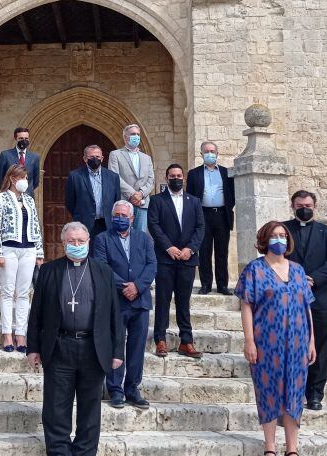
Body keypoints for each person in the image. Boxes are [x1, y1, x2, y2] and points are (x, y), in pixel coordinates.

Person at [26, 222, 123, 456]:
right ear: (63, 242)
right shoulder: (48, 271)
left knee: (90, 408)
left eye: (81, 241)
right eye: (72, 241)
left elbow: (114, 314)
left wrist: (117, 351)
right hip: (59, 346)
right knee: (56, 406)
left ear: (89, 241)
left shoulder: (103, 271)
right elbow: (36, 314)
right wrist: (33, 348)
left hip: (93, 347)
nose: (76, 245)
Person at [236, 220, 317, 456]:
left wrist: (311, 341)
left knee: (294, 394)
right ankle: (270, 449)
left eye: (283, 235)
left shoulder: (297, 270)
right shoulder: (255, 270)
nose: (279, 239)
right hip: (266, 343)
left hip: (296, 343)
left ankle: (292, 451)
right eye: (274, 235)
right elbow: (246, 305)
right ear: (264, 239)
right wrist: (249, 340)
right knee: (269, 393)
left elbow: (307, 308)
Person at [92, 200, 156, 409]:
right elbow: (102, 266)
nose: (119, 218)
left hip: (140, 301)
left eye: (123, 215)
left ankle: (132, 388)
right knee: (115, 346)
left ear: (132, 218)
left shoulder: (144, 239)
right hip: (116, 301)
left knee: (137, 347)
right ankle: (115, 389)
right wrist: (123, 286)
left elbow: (151, 265)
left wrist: (137, 286)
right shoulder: (102, 239)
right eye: (116, 214)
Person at [283, 190, 327, 411]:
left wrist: (313, 279)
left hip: (320, 297)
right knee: (291, 344)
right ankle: (293, 390)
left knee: (320, 345)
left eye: (307, 205)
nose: (304, 208)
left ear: (315, 207)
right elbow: (275, 257)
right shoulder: (283, 229)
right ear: (293, 206)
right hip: (289, 296)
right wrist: (293, 278)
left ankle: (315, 393)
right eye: (299, 205)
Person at [147, 164, 205, 358]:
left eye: (179, 175)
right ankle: (160, 340)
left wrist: (190, 249)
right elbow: (153, 225)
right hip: (165, 259)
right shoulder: (157, 200)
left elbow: (200, 227)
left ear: (184, 178)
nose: (176, 178)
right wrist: (168, 247)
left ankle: (186, 341)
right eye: (172, 176)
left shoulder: (194, 201)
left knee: (183, 302)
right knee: (163, 300)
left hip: (188, 259)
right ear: (166, 177)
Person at [0, 164, 45, 352]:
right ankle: (7, 333)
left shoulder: (29, 200)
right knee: (7, 292)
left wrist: (39, 252)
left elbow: (36, 225)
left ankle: (21, 333)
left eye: (27, 178)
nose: (25, 182)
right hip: (9, 249)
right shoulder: (0, 199)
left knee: (23, 293)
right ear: (13, 179)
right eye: (22, 178)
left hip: (28, 249)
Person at [186, 141, 236, 295]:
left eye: (212, 151)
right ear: (201, 154)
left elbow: (232, 194)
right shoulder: (194, 174)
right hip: (203, 215)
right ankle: (206, 284)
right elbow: (190, 196)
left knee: (222, 252)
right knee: (204, 251)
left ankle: (222, 285)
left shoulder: (226, 173)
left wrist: (226, 206)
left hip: (222, 215)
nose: (210, 154)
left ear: (217, 153)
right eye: (206, 151)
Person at [65, 144, 122, 238]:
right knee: (87, 252)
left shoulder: (113, 177)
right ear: (85, 158)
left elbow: (117, 200)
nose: (95, 159)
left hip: (107, 224)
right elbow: (70, 202)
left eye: (97, 157)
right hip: (84, 224)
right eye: (91, 157)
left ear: (102, 158)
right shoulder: (75, 176)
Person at [108, 124, 154, 233]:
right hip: (124, 201)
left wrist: (141, 194)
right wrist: (132, 194)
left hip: (142, 203)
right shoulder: (115, 155)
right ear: (125, 137)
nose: (136, 137)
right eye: (133, 134)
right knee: (121, 233)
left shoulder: (147, 158)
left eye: (138, 134)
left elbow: (151, 180)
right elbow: (114, 176)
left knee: (140, 235)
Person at [0, 128, 40, 192]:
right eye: (21, 138)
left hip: (27, 196)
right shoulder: (5, 155)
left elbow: (36, 180)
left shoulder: (34, 157)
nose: (24, 140)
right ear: (16, 139)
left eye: (26, 138)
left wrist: (28, 190)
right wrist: (6, 191)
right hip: (10, 194)